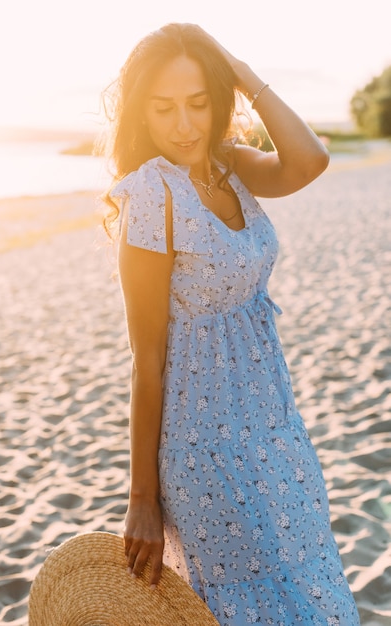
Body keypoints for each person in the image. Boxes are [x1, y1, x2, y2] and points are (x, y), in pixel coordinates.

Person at [102, 22, 360, 625]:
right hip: (204, 447)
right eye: (163, 108)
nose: (184, 125)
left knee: (311, 581)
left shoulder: (230, 166)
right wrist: (142, 497)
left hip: (274, 424)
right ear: (142, 113)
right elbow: (147, 358)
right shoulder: (150, 197)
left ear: (219, 101)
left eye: (198, 103)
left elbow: (309, 159)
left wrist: (239, 71)